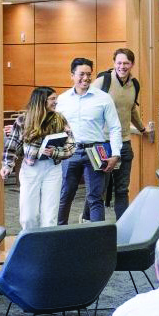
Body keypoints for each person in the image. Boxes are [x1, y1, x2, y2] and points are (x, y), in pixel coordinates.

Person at [55, 57, 122, 224]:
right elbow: (54, 128)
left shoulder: (103, 98)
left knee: (95, 197)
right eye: (81, 74)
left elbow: (115, 128)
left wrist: (115, 154)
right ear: (72, 75)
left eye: (88, 74)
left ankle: (97, 239)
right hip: (70, 152)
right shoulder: (62, 100)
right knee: (66, 195)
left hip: (95, 151)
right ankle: (59, 233)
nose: (85, 78)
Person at [0, 86, 74, 230]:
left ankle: (47, 250)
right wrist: (7, 165)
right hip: (30, 169)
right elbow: (13, 144)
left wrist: (56, 151)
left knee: (50, 218)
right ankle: (32, 246)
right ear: (41, 101)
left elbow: (71, 145)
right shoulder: (23, 120)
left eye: (55, 98)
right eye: (52, 99)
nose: (55, 102)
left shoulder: (60, 119)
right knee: (28, 217)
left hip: (53, 169)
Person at [91, 47, 153, 219]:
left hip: (124, 142)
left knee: (122, 189)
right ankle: (90, 221)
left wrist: (142, 129)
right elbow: (88, 103)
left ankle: (122, 226)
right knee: (99, 188)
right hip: (102, 142)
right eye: (119, 62)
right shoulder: (103, 80)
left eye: (126, 63)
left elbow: (131, 110)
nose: (122, 66)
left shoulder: (135, 84)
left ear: (132, 64)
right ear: (114, 63)